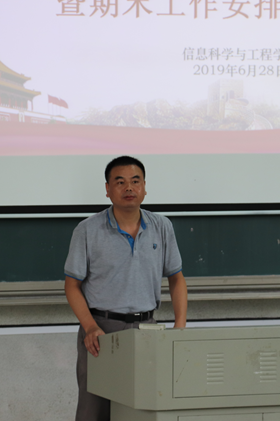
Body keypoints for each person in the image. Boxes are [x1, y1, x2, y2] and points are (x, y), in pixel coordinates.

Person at [64, 155, 188, 421]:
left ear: (145, 187)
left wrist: (180, 326)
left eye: (135, 181)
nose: (129, 187)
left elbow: (176, 279)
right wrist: (90, 327)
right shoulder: (87, 230)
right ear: (107, 189)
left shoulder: (162, 226)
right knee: (93, 411)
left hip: (147, 330)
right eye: (120, 182)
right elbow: (72, 286)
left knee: (142, 410)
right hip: (101, 332)